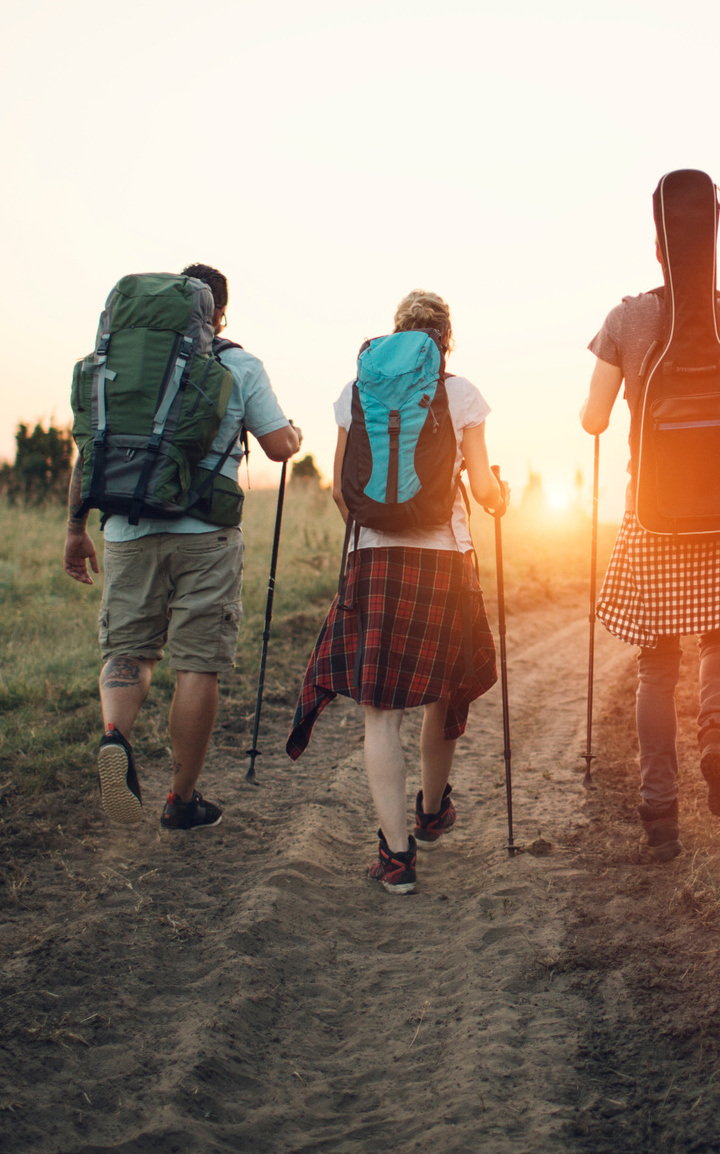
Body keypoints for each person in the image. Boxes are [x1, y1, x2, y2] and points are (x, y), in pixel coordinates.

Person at [65, 263, 301, 831]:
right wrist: (293, 433)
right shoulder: (238, 363)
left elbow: (91, 448)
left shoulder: (122, 363)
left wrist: (75, 530)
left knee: (129, 650)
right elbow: (278, 447)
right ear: (218, 313)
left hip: (125, 528)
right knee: (197, 664)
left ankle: (115, 735)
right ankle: (181, 799)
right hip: (206, 537)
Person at [581, 222, 720, 863]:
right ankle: (718, 738)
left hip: (656, 509)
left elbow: (593, 418)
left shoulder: (627, 318)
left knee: (656, 664)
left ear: (657, 247)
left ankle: (661, 816)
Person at [293, 291, 507, 895]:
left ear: (394, 335)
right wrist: (499, 498)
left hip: (373, 557)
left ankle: (394, 857)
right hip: (444, 559)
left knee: (379, 712)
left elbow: (341, 489)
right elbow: (485, 486)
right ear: (445, 340)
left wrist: (376, 535)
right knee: (447, 684)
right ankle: (433, 811)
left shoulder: (355, 391)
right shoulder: (459, 392)